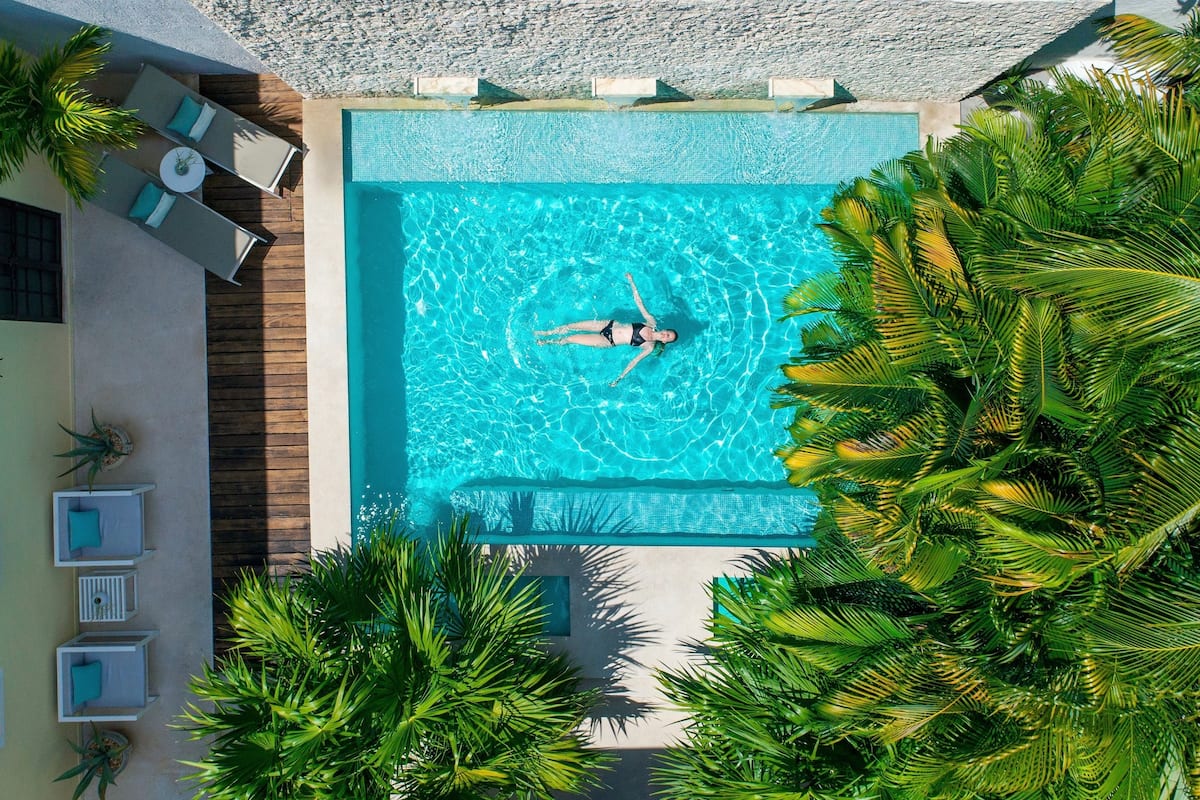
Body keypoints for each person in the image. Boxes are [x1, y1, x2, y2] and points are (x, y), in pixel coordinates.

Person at [535, 272, 679, 387]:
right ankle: (546, 333)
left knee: (570, 339)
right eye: (668, 333)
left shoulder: (649, 346)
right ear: (665, 329)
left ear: (665, 342)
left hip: (606, 340)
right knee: (571, 326)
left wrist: (619, 378)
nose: (666, 335)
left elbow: (634, 362)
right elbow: (639, 303)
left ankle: (547, 342)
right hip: (607, 325)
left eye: (668, 338)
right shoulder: (651, 322)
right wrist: (631, 281)